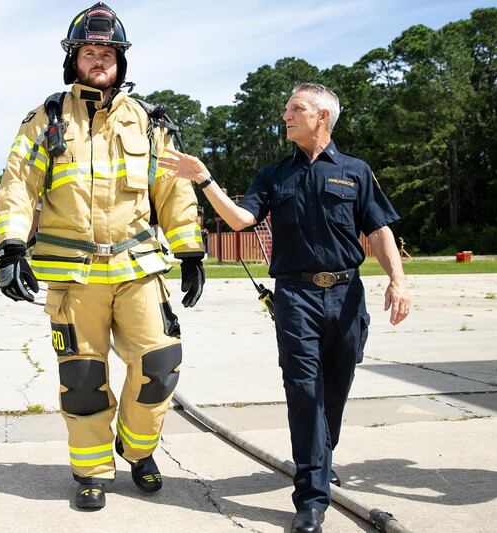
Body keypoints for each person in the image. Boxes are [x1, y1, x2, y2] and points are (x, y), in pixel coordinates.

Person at [159, 83, 411, 533]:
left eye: (296, 109)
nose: (286, 116)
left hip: (348, 295)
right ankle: (311, 499)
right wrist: (204, 179)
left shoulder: (355, 171)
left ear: (323, 117)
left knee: (336, 387)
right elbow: (240, 220)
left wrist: (398, 280)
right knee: (305, 392)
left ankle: (318, 458)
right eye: (286, 109)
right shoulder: (274, 175)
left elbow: (379, 230)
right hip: (295, 297)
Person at [0, 2, 205, 511]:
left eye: (108, 52)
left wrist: (191, 250)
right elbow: (19, 185)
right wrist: (11, 246)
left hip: (137, 269)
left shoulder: (149, 121)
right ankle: (90, 469)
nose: (99, 60)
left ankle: (138, 449)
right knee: (84, 379)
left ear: (121, 61)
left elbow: (172, 188)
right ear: (73, 60)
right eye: (89, 51)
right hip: (72, 275)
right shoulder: (45, 120)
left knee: (160, 363)